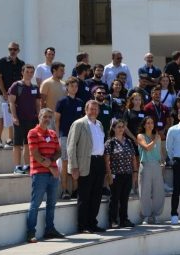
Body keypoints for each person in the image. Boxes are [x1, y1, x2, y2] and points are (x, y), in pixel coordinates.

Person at [67, 100, 107, 233]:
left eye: (96, 109)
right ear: (86, 109)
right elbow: (71, 146)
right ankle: (82, 225)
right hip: (85, 163)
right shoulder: (79, 124)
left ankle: (92, 223)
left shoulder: (100, 124)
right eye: (92, 109)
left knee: (96, 195)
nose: (94, 111)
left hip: (99, 162)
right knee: (84, 196)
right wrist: (73, 166)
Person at [25, 108, 65, 243]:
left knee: (51, 204)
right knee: (35, 204)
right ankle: (31, 232)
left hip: (52, 174)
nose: (47, 119)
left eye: (49, 117)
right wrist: (50, 167)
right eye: (45, 116)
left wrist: (52, 163)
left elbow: (59, 152)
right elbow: (35, 154)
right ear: (39, 117)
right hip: (39, 174)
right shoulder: (33, 133)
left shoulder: (53, 134)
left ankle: (50, 229)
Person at [104, 118, 138, 228]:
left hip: (127, 174)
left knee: (124, 198)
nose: (121, 129)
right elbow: (107, 160)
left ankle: (124, 219)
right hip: (116, 175)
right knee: (115, 198)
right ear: (113, 128)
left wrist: (135, 171)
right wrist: (109, 175)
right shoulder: (110, 143)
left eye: (123, 127)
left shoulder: (128, 142)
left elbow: (133, 158)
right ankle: (113, 220)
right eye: (118, 127)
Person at [55, 77, 85, 199]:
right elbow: (56, 120)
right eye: (72, 86)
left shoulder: (80, 102)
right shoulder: (61, 101)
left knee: (76, 164)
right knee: (65, 163)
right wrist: (58, 136)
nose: (74, 88)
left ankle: (76, 190)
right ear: (67, 87)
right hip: (65, 136)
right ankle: (65, 190)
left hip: (77, 137)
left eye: (76, 86)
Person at [8, 64, 41, 174]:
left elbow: (37, 104)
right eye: (27, 71)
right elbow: (11, 102)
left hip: (32, 120)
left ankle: (27, 165)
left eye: (32, 72)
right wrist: (14, 117)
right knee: (17, 143)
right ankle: (17, 166)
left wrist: (39, 117)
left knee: (28, 144)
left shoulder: (35, 88)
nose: (29, 74)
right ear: (22, 72)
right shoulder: (16, 86)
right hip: (19, 119)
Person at [0, 42, 25, 149]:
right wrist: (4, 92)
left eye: (15, 49)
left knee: (13, 116)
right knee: (0, 117)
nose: (13, 51)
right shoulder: (1, 62)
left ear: (18, 51)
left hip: (15, 96)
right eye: (11, 49)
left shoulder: (21, 64)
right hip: (1, 94)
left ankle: (10, 140)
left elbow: (23, 79)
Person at [137, 116, 165, 224]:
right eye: (147, 123)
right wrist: (155, 139)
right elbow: (147, 148)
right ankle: (146, 215)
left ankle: (156, 215)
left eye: (151, 123)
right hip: (146, 165)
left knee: (159, 191)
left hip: (157, 165)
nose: (150, 125)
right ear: (144, 125)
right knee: (145, 192)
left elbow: (159, 150)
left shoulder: (156, 136)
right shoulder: (141, 136)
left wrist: (162, 161)